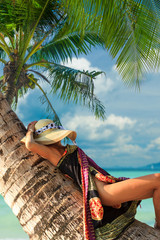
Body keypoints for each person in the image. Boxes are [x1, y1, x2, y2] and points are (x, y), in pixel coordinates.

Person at [21, 119, 160, 240]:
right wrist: (31, 130)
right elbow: (30, 145)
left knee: (157, 186)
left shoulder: (66, 149)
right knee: (158, 179)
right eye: (49, 137)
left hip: (107, 189)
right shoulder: (53, 154)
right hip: (104, 193)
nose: (54, 139)